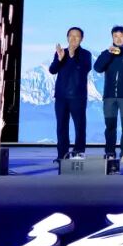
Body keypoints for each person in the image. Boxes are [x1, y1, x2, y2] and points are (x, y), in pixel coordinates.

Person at [93, 25, 123, 162]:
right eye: (115, 36)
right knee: (110, 126)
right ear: (112, 37)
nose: (118, 39)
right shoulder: (106, 53)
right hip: (109, 97)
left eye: (121, 36)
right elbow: (97, 68)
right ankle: (110, 152)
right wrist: (109, 54)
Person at [49, 27, 92, 162]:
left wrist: (72, 56)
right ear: (67, 37)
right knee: (61, 127)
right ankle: (62, 155)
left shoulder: (85, 54)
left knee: (79, 126)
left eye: (77, 36)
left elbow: (85, 69)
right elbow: (52, 70)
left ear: (81, 39)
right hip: (61, 96)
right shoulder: (61, 52)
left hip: (78, 96)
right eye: (71, 36)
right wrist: (59, 59)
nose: (73, 39)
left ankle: (78, 152)